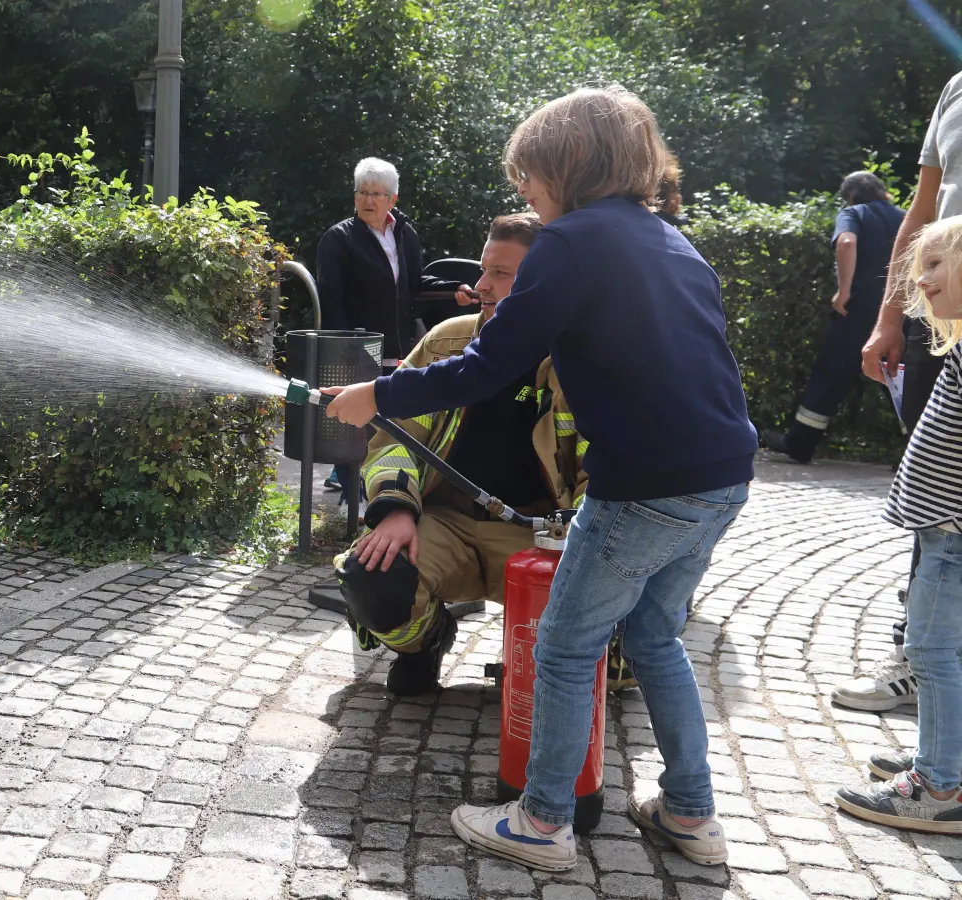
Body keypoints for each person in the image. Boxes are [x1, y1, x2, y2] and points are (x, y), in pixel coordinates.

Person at [324, 86, 755, 872]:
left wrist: (375, 395)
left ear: (569, 164)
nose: (522, 190)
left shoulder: (572, 241)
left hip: (645, 485)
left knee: (563, 645)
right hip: (724, 475)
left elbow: (489, 365)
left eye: (528, 173)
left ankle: (544, 821)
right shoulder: (671, 241)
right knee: (657, 638)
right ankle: (691, 811)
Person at [332, 212, 584, 696]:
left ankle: (551, 662)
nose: (481, 284)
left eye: (501, 274)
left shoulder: (580, 360)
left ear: (543, 285)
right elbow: (393, 439)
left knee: (615, 658)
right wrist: (394, 511)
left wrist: (587, 548)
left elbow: (603, 468)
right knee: (371, 577)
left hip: (546, 538)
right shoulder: (447, 342)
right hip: (446, 524)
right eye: (484, 269)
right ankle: (426, 642)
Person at [839, 68, 962, 712]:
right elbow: (921, 210)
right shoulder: (955, 86)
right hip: (938, 319)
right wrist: (891, 314)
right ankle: (920, 662)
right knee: (936, 499)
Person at [837, 215, 962, 832]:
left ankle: (940, 786)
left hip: (954, 535)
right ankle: (945, 759)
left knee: (932, 653)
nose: (923, 278)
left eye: (938, 264)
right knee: (950, 654)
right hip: (947, 531)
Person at [316, 158, 474, 497]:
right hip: (357, 346)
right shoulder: (338, 239)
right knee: (353, 425)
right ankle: (352, 498)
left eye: (377, 193)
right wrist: (344, 349)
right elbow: (332, 300)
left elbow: (415, 283)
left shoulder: (404, 234)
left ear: (393, 199)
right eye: (362, 193)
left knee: (389, 422)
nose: (368, 201)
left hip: (398, 346)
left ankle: (381, 488)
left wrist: (453, 289)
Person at [761, 172, 905, 463]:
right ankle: (916, 451)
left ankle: (801, 443)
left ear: (850, 195)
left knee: (831, 373)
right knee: (900, 375)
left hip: (860, 310)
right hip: (899, 310)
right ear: (882, 191)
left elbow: (847, 243)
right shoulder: (905, 216)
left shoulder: (854, 213)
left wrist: (844, 290)